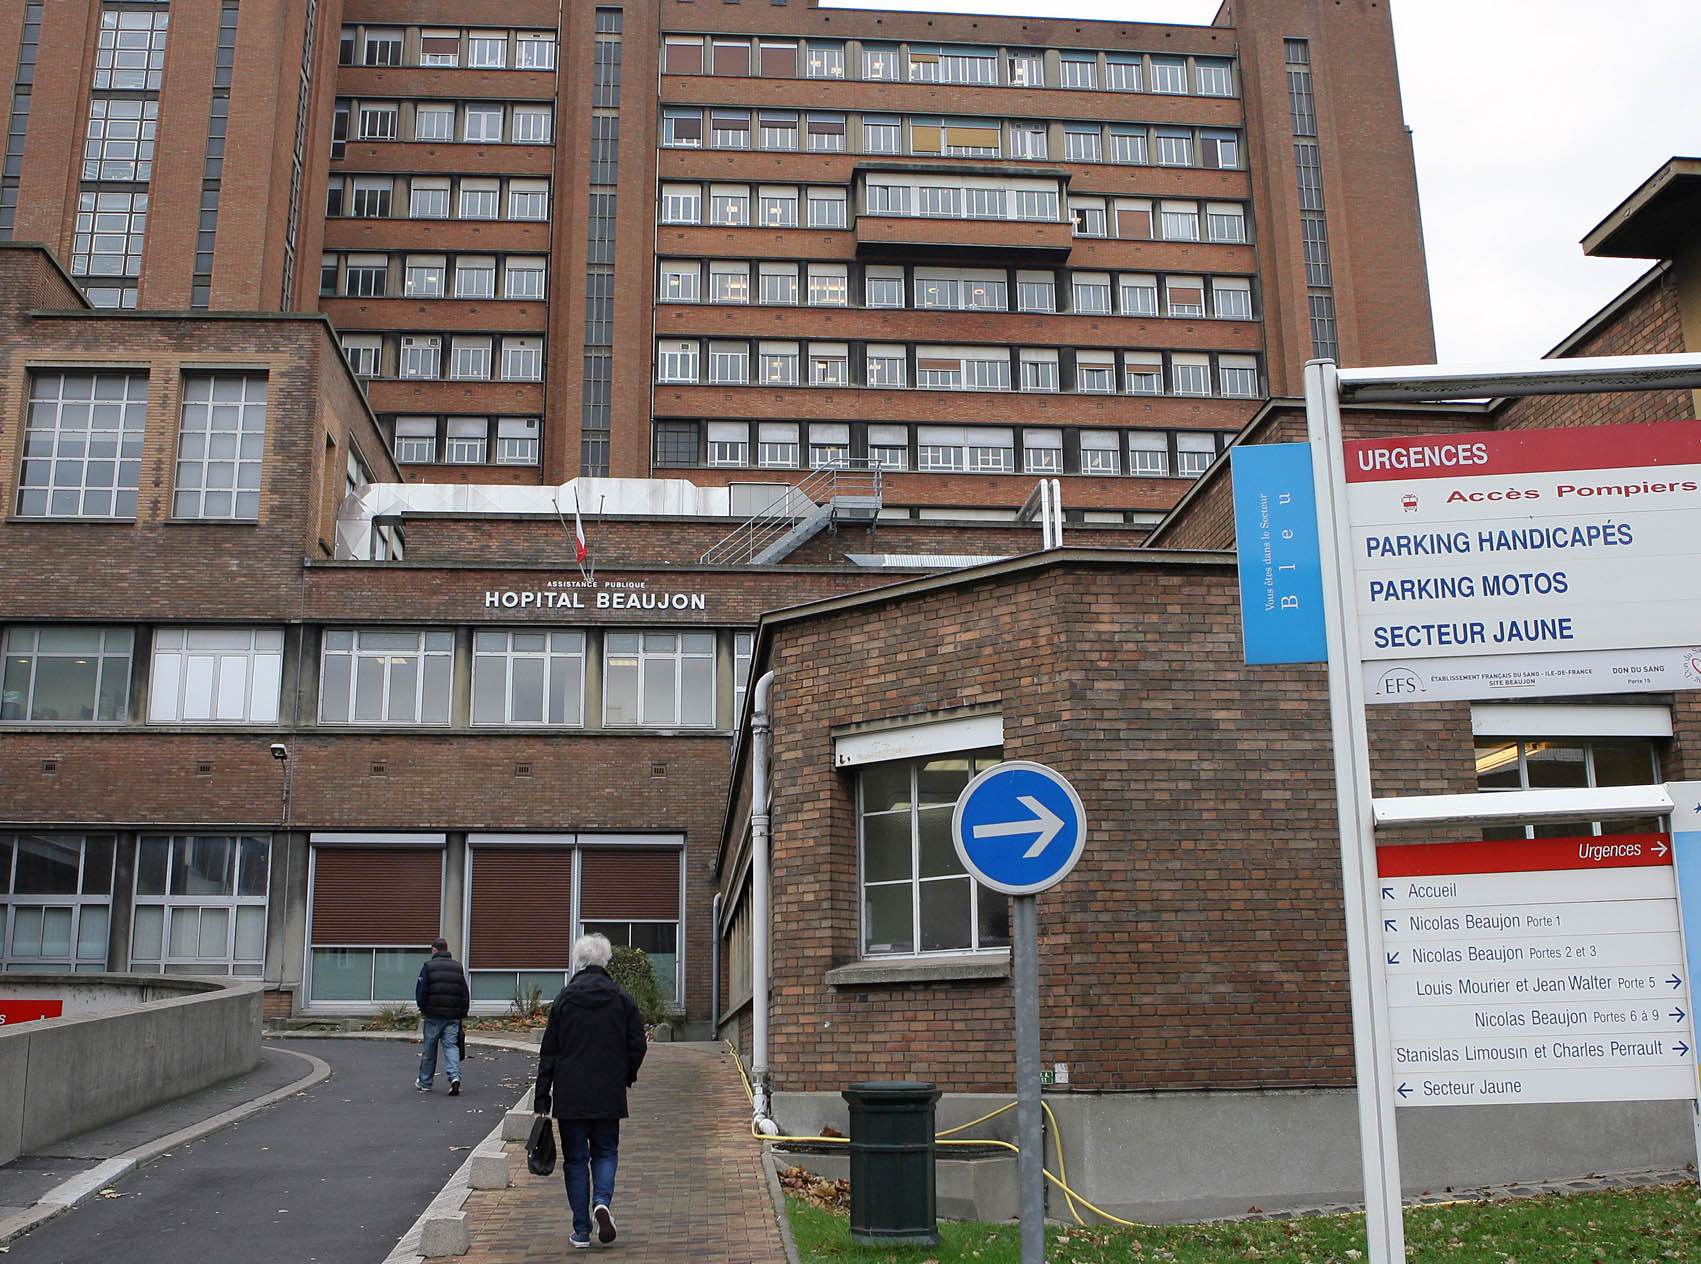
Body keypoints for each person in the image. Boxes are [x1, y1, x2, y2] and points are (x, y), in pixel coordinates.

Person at [534, 933, 647, 1249]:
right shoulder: (621, 999)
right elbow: (638, 1044)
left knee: (575, 1160)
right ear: (606, 960)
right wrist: (625, 1075)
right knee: (606, 1151)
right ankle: (602, 1202)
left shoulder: (564, 1000)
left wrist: (542, 1097)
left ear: (578, 961)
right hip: (608, 1092)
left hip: (570, 1094)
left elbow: (549, 1052)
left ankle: (581, 1230)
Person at [415, 937, 470, 1095]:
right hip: (452, 1016)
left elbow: (421, 991)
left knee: (429, 1050)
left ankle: (425, 1082)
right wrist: (462, 1013)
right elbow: (464, 993)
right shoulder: (457, 967)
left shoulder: (428, 966)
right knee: (451, 1047)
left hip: (433, 1015)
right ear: (447, 949)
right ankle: (454, 1077)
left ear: (434, 950)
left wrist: (423, 1008)